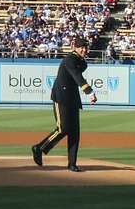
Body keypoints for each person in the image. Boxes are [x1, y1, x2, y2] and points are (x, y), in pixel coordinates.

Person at [32, 37, 97, 172]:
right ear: (75, 47)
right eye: (81, 47)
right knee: (63, 128)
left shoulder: (81, 61)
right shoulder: (69, 59)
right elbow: (77, 76)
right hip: (61, 97)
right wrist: (89, 92)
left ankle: (72, 163)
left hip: (73, 98)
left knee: (74, 133)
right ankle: (39, 147)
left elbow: (80, 70)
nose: (84, 50)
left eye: (85, 47)